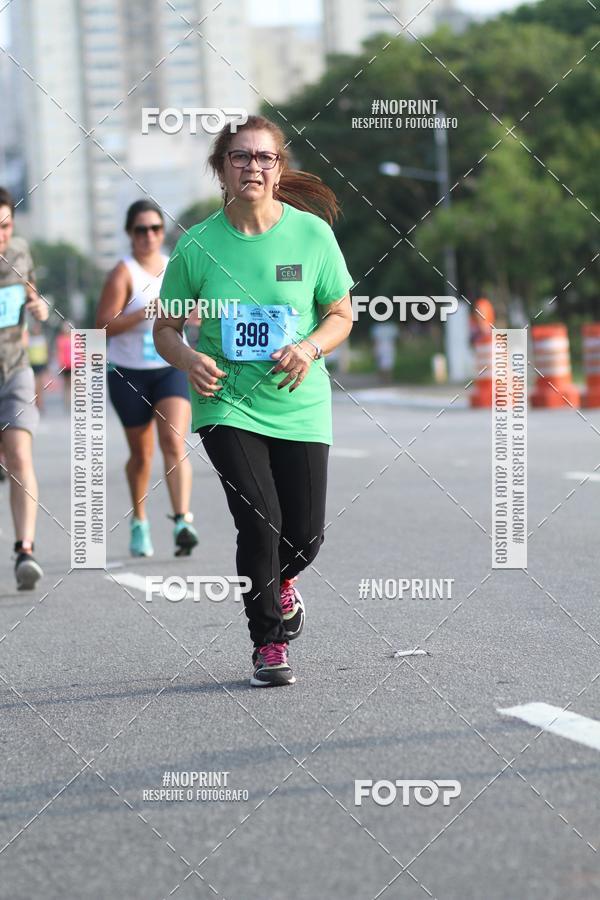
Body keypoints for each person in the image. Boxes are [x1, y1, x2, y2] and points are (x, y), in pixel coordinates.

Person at [155, 114, 354, 687]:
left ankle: (280, 582)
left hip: (299, 402)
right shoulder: (197, 245)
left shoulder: (312, 235)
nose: (253, 167)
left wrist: (311, 348)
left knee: (305, 535)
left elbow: (342, 314)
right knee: (259, 524)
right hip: (227, 405)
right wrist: (190, 359)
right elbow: (165, 329)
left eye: (265, 158)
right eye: (241, 157)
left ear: (279, 167)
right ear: (221, 169)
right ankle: (268, 643)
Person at [96, 200, 198, 558]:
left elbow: (197, 313)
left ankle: (183, 521)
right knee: (142, 454)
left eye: (155, 228)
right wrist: (142, 312)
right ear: (129, 233)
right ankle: (139, 520)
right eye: (141, 229)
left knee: (174, 442)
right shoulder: (123, 273)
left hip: (170, 366)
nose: (149, 236)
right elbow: (102, 328)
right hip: (129, 373)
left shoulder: (176, 266)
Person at [0, 187, 47, 589]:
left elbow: (32, 293)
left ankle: (24, 550)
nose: (2, 235)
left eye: (6, 225)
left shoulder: (19, 251)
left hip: (15, 367)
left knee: (19, 454)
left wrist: (40, 307)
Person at [27, 320, 49, 411]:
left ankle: (40, 402)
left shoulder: (43, 339)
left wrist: (47, 365)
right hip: (33, 365)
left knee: (41, 385)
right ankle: (36, 402)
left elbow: (46, 352)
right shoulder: (29, 339)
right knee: (35, 386)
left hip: (41, 364)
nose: (36, 329)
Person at [55, 321, 72, 409]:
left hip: (74, 365)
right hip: (65, 365)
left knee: (74, 384)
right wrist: (60, 364)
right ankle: (67, 401)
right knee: (66, 384)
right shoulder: (60, 339)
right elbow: (59, 352)